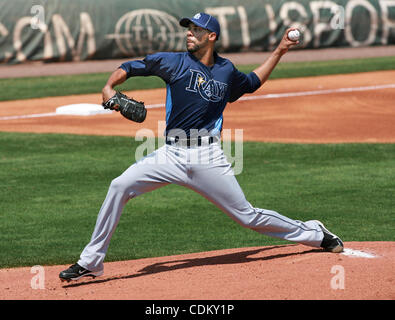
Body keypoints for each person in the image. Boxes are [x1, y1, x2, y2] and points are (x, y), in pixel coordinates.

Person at [59, 12, 343, 282]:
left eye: (197, 30)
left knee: (247, 217)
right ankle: (91, 261)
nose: (190, 34)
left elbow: (253, 82)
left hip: (208, 156)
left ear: (211, 36)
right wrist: (108, 87)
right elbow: (130, 67)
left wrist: (280, 49)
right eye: (188, 29)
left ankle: (315, 233)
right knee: (120, 186)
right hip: (170, 154)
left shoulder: (226, 70)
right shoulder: (172, 62)